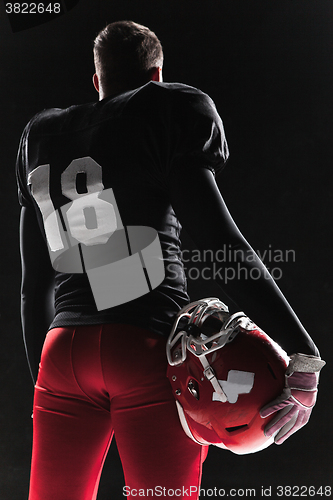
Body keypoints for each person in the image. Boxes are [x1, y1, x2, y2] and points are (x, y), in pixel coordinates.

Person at [17, 20, 324, 500]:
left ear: (96, 82)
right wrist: (302, 354)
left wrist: (48, 386)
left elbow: (34, 286)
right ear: (157, 75)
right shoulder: (168, 109)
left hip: (61, 351)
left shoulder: (41, 133)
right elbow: (219, 243)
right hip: (145, 345)